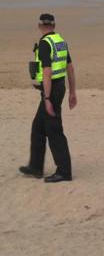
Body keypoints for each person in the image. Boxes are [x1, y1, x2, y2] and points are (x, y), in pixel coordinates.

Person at [19, 13, 77, 183]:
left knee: (54, 130)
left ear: (39, 26)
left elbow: (47, 71)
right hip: (59, 87)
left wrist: (47, 98)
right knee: (38, 127)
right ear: (54, 25)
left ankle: (64, 171)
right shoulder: (60, 41)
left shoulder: (45, 44)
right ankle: (36, 167)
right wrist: (72, 92)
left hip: (51, 90)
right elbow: (71, 68)